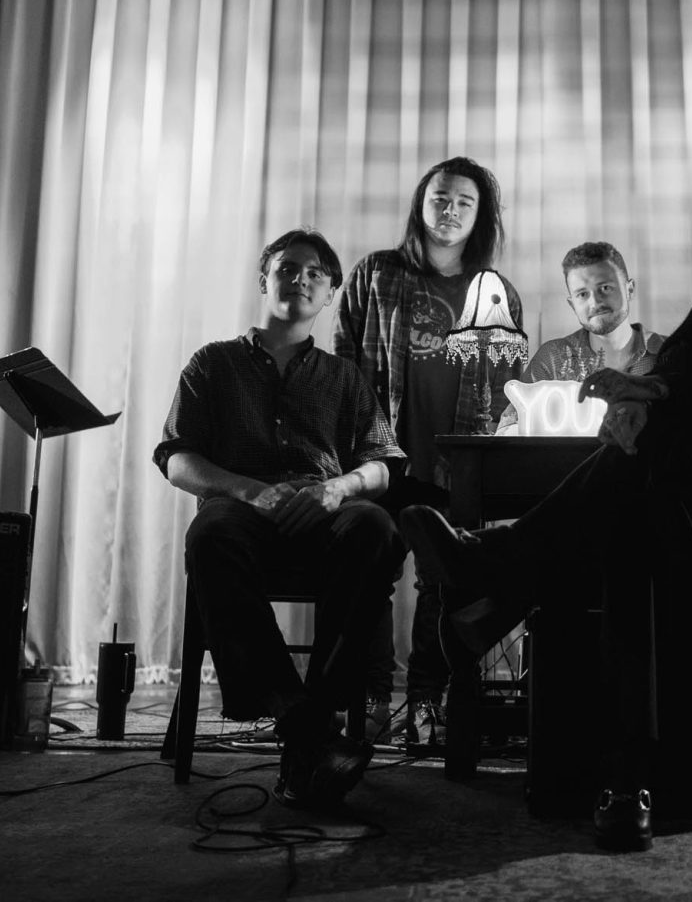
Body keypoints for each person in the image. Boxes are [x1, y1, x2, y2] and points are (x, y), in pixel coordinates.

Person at [401, 211, 692, 851]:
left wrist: (653, 400)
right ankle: (628, 776)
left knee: (656, 455)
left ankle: (495, 579)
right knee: (637, 528)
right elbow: (672, 387)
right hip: (688, 535)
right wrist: (634, 405)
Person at [154, 228, 405, 807]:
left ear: (331, 294)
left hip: (322, 518)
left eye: (316, 273)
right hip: (241, 520)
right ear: (264, 280)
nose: (301, 278)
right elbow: (176, 458)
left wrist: (336, 490)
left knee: (374, 528)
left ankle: (308, 716)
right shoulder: (212, 364)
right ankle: (306, 727)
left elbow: (383, 465)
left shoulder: (344, 377)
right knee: (210, 532)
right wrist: (249, 492)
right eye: (288, 268)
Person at [334, 156, 526, 748]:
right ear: (421, 203)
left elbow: (508, 385)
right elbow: (343, 365)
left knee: (442, 587)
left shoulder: (494, 292)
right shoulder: (375, 274)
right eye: (440, 198)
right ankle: (367, 698)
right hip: (379, 458)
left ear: (480, 217)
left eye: (464, 203)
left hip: (456, 464)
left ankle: (426, 704)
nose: (450, 211)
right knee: (370, 575)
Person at [496, 241, 665, 433]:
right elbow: (507, 430)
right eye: (582, 294)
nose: (595, 303)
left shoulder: (670, 354)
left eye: (605, 288)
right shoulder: (553, 359)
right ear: (572, 304)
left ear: (630, 289)